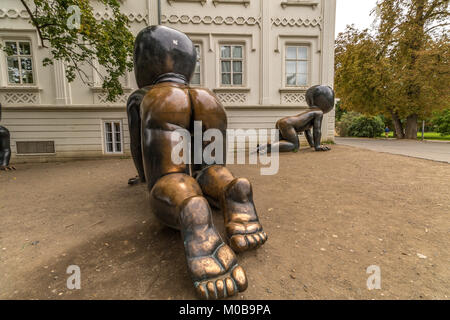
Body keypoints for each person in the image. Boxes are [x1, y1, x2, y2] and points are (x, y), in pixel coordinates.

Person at [126, 26, 267, 300]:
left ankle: (194, 211)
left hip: (166, 105)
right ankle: (232, 188)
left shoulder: (144, 95)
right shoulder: (207, 95)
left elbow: (136, 144)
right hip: (208, 103)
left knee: (171, 177)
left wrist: (144, 176)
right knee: (212, 168)